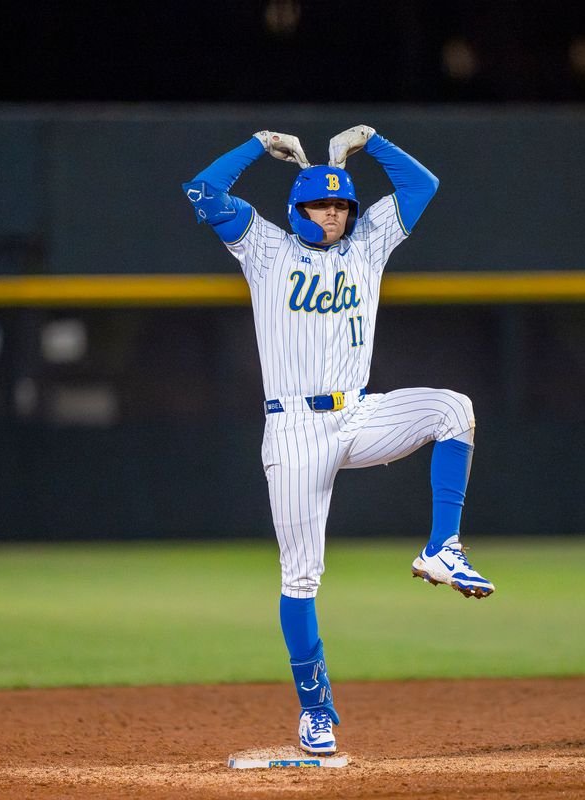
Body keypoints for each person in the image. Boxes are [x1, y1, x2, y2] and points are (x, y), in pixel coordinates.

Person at [182, 125, 494, 756]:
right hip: (294, 427)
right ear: (297, 209)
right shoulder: (263, 247)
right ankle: (316, 712)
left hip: (358, 414)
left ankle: (443, 546)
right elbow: (202, 190)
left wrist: (371, 142)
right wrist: (256, 145)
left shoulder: (368, 244)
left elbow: (422, 184)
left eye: (343, 205)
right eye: (323, 205)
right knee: (301, 579)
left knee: (454, 410)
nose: (335, 214)